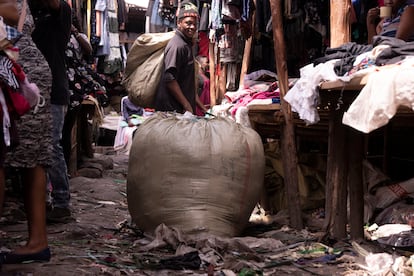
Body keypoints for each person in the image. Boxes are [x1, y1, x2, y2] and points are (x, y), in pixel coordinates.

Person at [0, 0, 52, 263]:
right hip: (18, 74)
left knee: (30, 158)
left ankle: (38, 241)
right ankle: (37, 241)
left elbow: (13, 11)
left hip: (23, 78)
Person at [29, 0, 73, 223]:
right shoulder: (28, 11)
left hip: (54, 90)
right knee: (36, 147)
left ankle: (62, 202)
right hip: (31, 90)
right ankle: (43, 199)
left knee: (51, 145)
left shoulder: (62, 11)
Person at [154, 0, 208, 115]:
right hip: (171, 112)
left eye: (195, 24)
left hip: (180, 111)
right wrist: (186, 104)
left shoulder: (186, 44)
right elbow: (169, 78)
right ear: (179, 23)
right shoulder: (177, 46)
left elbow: (187, 86)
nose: (192, 27)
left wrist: (203, 108)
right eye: (188, 23)